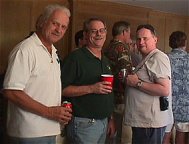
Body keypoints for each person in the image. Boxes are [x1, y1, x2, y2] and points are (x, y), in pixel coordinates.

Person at [3, 4, 72, 144]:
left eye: (63, 27)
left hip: (49, 130)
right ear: (43, 22)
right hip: (28, 133)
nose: (59, 30)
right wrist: (50, 112)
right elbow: (11, 91)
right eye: (55, 23)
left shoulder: (53, 51)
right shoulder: (25, 49)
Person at [61, 17, 116, 144]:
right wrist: (91, 88)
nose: (99, 34)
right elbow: (62, 89)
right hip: (84, 124)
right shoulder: (75, 58)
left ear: (106, 33)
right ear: (86, 34)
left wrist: (110, 118)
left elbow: (108, 92)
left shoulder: (105, 60)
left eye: (102, 30)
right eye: (94, 31)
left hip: (104, 122)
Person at [124, 24, 173, 144]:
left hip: (149, 124)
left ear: (155, 39)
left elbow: (164, 89)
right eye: (138, 39)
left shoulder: (159, 57)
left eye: (145, 38)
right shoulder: (147, 58)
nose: (141, 42)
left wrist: (137, 83)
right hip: (144, 122)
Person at [103, 21, 133, 143]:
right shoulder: (122, 48)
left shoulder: (107, 47)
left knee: (110, 135)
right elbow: (126, 74)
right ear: (124, 32)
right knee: (123, 136)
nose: (129, 36)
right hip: (120, 98)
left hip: (108, 96)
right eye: (129, 33)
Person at [166, 31, 188, 144]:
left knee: (165, 135)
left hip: (166, 103)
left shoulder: (165, 58)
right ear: (185, 42)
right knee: (181, 134)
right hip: (185, 106)